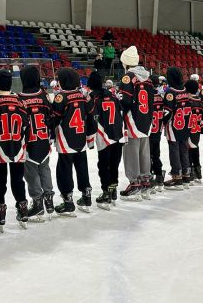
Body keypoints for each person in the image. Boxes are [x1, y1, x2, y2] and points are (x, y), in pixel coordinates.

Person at [0, 69, 29, 232]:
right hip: (18, 147)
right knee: (18, 180)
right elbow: (26, 125)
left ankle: (0, 212)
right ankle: (22, 207)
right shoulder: (21, 102)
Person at [51, 67, 92, 215]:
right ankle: (86, 196)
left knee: (64, 170)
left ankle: (68, 202)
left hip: (66, 139)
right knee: (82, 167)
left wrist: (49, 135)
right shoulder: (81, 95)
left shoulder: (61, 97)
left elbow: (54, 118)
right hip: (80, 138)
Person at [19, 65, 55, 222]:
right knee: (45, 168)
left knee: (31, 172)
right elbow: (51, 116)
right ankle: (49, 199)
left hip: (29, 142)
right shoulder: (44, 95)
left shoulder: (20, 98)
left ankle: (38, 202)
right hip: (43, 139)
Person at [118, 45, 154, 200]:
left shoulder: (128, 77)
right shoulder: (148, 77)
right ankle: (146, 181)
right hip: (147, 120)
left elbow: (125, 101)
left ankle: (134, 184)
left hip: (133, 120)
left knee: (131, 153)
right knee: (144, 152)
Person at [87, 70, 124, 210]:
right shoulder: (112, 95)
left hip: (104, 135)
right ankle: (113, 191)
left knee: (104, 166)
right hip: (117, 134)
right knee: (114, 165)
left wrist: (89, 140)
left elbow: (91, 118)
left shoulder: (92, 97)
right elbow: (120, 112)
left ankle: (106, 193)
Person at [162, 67, 191, 190]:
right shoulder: (185, 90)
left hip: (174, 126)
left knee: (174, 151)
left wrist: (162, 123)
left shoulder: (170, 91)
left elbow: (167, 112)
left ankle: (177, 177)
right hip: (185, 124)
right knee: (184, 150)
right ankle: (186, 175)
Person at [148, 73, 166, 191]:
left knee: (148, 155)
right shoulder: (161, 96)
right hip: (158, 129)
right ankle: (159, 175)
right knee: (156, 154)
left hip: (149, 130)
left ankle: (149, 177)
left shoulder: (148, 97)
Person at [185, 79, 203, 185]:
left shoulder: (188, 102)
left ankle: (190, 173)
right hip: (196, 129)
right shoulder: (200, 101)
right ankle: (197, 172)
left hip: (189, 129)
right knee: (195, 149)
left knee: (188, 151)